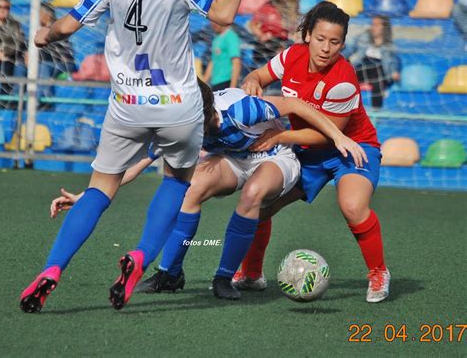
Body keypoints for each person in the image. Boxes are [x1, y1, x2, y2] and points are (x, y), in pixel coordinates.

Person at [20, 0, 254, 313]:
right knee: (177, 182)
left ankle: (52, 269)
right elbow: (222, 15)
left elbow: (65, 26)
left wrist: (42, 35)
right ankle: (142, 256)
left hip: (127, 104)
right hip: (179, 105)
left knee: (99, 190)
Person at [49, 81, 367, 300]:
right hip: (233, 159)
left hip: (273, 156)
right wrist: (87, 197)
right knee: (191, 187)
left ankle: (224, 278)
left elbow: (293, 103)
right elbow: (136, 163)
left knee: (253, 193)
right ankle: (169, 274)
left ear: (206, 112)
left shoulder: (242, 110)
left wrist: (338, 137)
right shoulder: (181, 123)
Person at [240, 1, 390, 303]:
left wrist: (279, 136)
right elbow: (257, 75)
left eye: (334, 42)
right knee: (262, 204)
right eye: (320, 39)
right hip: (307, 150)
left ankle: (378, 272)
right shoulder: (290, 56)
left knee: (351, 206)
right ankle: (251, 274)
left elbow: (326, 135)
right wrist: (252, 83)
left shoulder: (344, 80)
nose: (326, 48)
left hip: (352, 149)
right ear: (307, 35)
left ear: (343, 44)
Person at [345, 15, 400, 109]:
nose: (373, 27)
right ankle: (345, 107)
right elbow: (350, 50)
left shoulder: (389, 45)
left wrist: (394, 72)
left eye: (377, 25)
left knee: (378, 82)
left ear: (385, 28)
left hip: (380, 68)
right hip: (364, 65)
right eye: (373, 24)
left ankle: (376, 111)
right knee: (348, 78)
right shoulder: (363, 38)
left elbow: (393, 61)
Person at [37, 2, 77, 105]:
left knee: (44, 66)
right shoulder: (37, 28)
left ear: (48, 15)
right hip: (48, 62)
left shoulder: (56, 28)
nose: (37, 16)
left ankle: (44, 99)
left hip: (64, 63)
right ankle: (15, 99)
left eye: (39, 13)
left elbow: (59, 53)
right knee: (21, 66)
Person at [0, 0, 27, 107]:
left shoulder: (15, 25)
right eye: (0, 7)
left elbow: (18, 43)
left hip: (6, 57)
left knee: (5, 69)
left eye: (6, 7)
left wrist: (3, 53)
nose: (3, 10)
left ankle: (3, 103)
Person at [202, 22, 241, 91]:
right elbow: (213, 61)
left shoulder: (230, 37)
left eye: (215, 22)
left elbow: (236, 62)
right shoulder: (216, 38)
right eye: (212, 21)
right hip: (215, 82)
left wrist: (232, 87)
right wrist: (203, 82)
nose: (213, 24)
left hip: (226, 81)